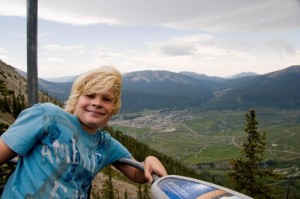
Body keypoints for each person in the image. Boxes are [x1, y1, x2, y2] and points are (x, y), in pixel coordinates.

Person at [0, 66, 168, 198]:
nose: (97, 103)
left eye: (107, 99)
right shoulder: (47, 116)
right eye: (90, 95)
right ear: (77, 98)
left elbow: (138, 175)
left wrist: (150, 159)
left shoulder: (106, 145)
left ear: (114, 107)